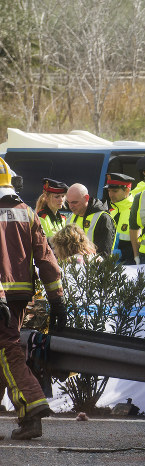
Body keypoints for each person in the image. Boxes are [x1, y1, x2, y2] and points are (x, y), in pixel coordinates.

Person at [0, 157, 66, 440]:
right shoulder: (27, 212)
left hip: (2, 297)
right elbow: (46, 259)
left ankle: (33, 405)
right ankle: (30, 418)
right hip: (18, 298)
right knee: (4, 350)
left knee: (8, 350)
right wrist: (57, 299)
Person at [66, 183, 116, 257]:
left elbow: (104, 253)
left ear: (86, 198)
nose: (70, 207)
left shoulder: (102, 218)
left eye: (74, 202)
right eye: (68, 202)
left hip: (95, 266)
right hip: (74, 265)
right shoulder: (71, 217)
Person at [105, 173, 136, 264]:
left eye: (114, 191)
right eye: (109, 191)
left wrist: (122, 253)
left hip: (130, 265)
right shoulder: (109, 210)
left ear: (127, 190)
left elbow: (141, 243)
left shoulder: (137, 210)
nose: (110, 195)